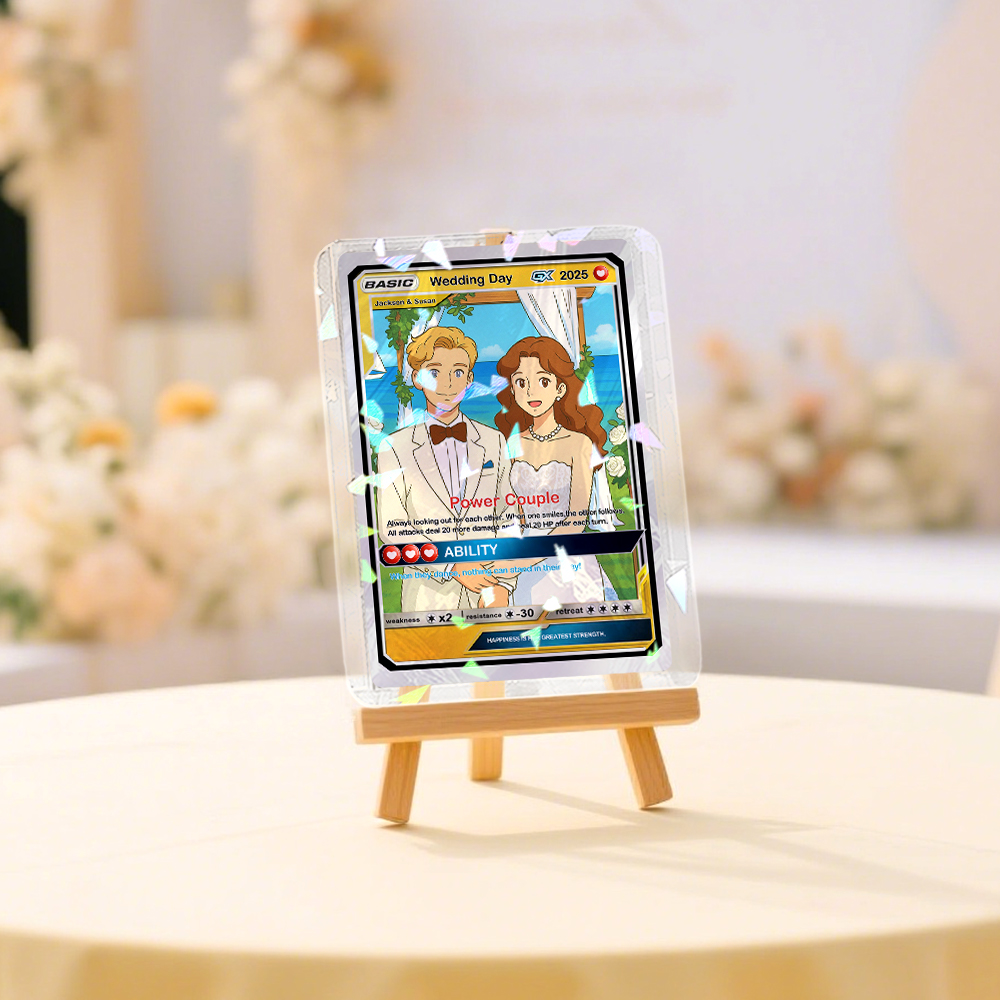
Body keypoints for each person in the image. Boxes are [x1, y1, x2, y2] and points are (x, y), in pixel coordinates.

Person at [375, 326, 517, 613]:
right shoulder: (393, 447)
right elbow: (392, 528)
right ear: (417, 378)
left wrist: (504, 583)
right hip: (427, 596)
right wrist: (452, 565)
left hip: (491, 593)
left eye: (458, 372)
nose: (448, 383)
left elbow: (509, 515)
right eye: (435, 372)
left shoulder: (494, 440)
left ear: (470, 379)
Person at [494, 337, 616, 606]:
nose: (530, 391)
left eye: (543, 381)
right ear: (512, 389)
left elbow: (575, 520)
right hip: (523, 549)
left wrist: (524, 561)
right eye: (521, 383)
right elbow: (509, 511)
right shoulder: (512, 444)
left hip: (566, 554)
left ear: (560, 388)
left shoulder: (579, 443)